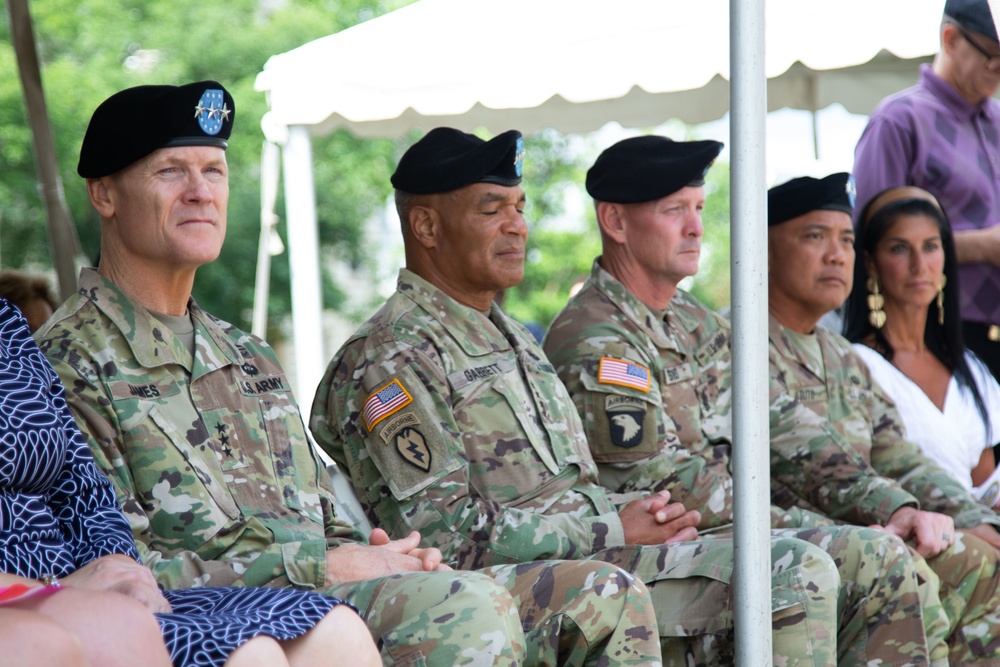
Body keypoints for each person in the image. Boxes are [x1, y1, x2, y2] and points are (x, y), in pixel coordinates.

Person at [34, 81, 664, 667]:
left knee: (594, 594)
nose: (201, 191)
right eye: (171, 171)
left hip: (322, 591)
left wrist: (383, 554)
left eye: (214, 171)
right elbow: (113, 567)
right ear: (105, 194)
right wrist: (325, 565)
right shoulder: (67, 359)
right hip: (219, 615)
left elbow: (322, 516)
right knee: (467, 608)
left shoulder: (245, 354)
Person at [312, 126, 886, 666]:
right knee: (788, 572)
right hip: (515, 587)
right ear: (427, 228)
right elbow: (443, 535)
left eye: (520, 208)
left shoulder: (507, 335)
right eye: (492, 210)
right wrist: (614, 528)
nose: (517, 226)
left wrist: (644, 520)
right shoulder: (390, 358)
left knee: (800, 561)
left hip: (591, 555)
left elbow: (577, 490)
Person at [541, 137, 941, 665]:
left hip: (728, 537)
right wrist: (810, 524)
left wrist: (890, 503)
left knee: (897, 551)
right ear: (615, 222)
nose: (696, 227)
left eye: (699, 208)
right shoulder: (596, 336)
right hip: (657, 557)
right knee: (857, 557)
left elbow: (784, 426)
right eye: (674, 210)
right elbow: (661, 484)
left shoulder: (692, 319)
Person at [1, 297, 377, 667]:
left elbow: (83, 488)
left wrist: (114, 559)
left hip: (89, 583)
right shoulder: (72, 353)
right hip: (44, 589)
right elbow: (150, 561)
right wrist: (50, 587)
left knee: (340, 631)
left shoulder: (8, 327)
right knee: (247, 653)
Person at [765, 173, 1000, 664]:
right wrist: (899, 513)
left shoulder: (839, 358)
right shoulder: (738, 344)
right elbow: (820, 462)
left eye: (845, 240)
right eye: (815, 236)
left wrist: (977, 519)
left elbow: (901, 456)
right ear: (763, 247)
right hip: (803, 545)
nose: (836, 254)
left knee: (984, 557)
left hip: (871, 534)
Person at [853, 0, 1000, 400]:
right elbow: (870, 236)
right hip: (941, 331)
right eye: (994, 56)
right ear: (950, 39)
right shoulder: (900, 120)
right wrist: (980, 246)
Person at [844, 186, 1000, 503]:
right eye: (899, 249)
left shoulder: (969, 368)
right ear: (871, 263)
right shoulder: (854, 364)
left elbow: (984, 486)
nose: (920, 265)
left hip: (980, 540)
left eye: (930, 247)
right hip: (906, 540)